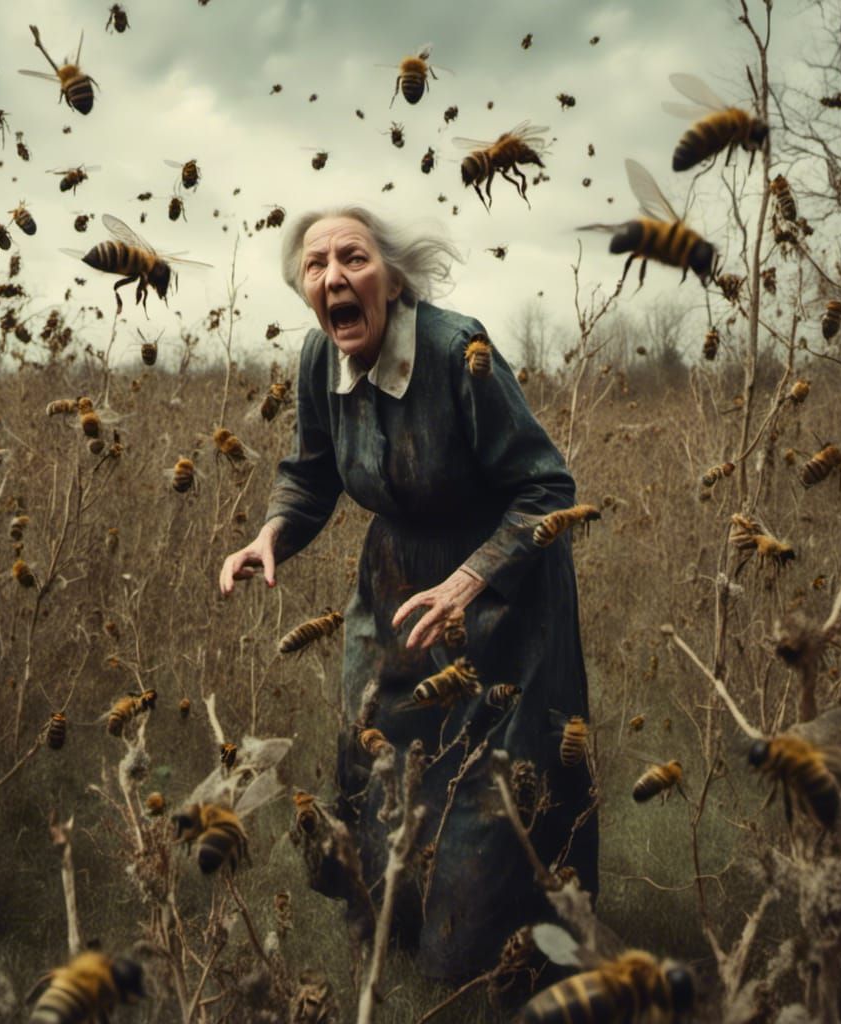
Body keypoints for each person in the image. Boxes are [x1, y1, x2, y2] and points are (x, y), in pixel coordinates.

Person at [219, 206, 597, 980]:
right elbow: (313, 470)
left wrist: (468, 582)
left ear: (391, 279)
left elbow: (548, 489)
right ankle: (386, 933)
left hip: (505, 588)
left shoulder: (458, 350)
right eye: (315, 266)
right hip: (393, 581)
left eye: (352, 258)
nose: (333, 277)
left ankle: (509, 958)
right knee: (372, 754)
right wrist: (271, 535)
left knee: (495, 791)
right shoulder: (319, 359)